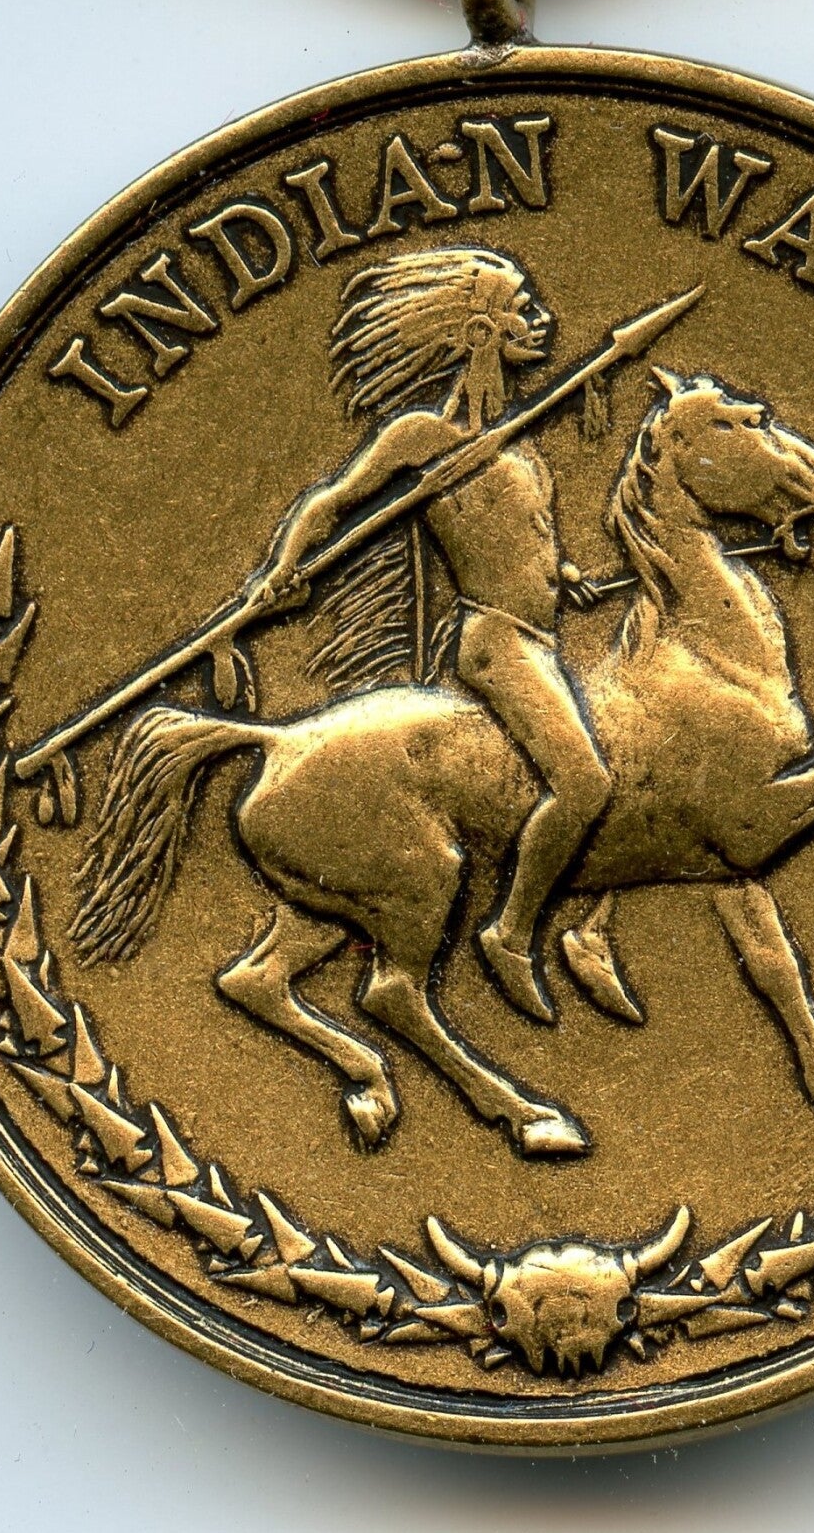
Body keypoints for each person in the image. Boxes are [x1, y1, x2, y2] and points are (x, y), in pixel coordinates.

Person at [244, 247, 611, 1021]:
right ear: (481, 332)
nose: (541, 320)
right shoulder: (423, 435)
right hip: (496, 642)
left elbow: (526, 541)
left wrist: (567, 574)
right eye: (522, 307)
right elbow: (329, 502)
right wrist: (280, 567)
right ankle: (511, 933)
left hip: (542, 637)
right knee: (587, 784)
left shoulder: (522, 442)